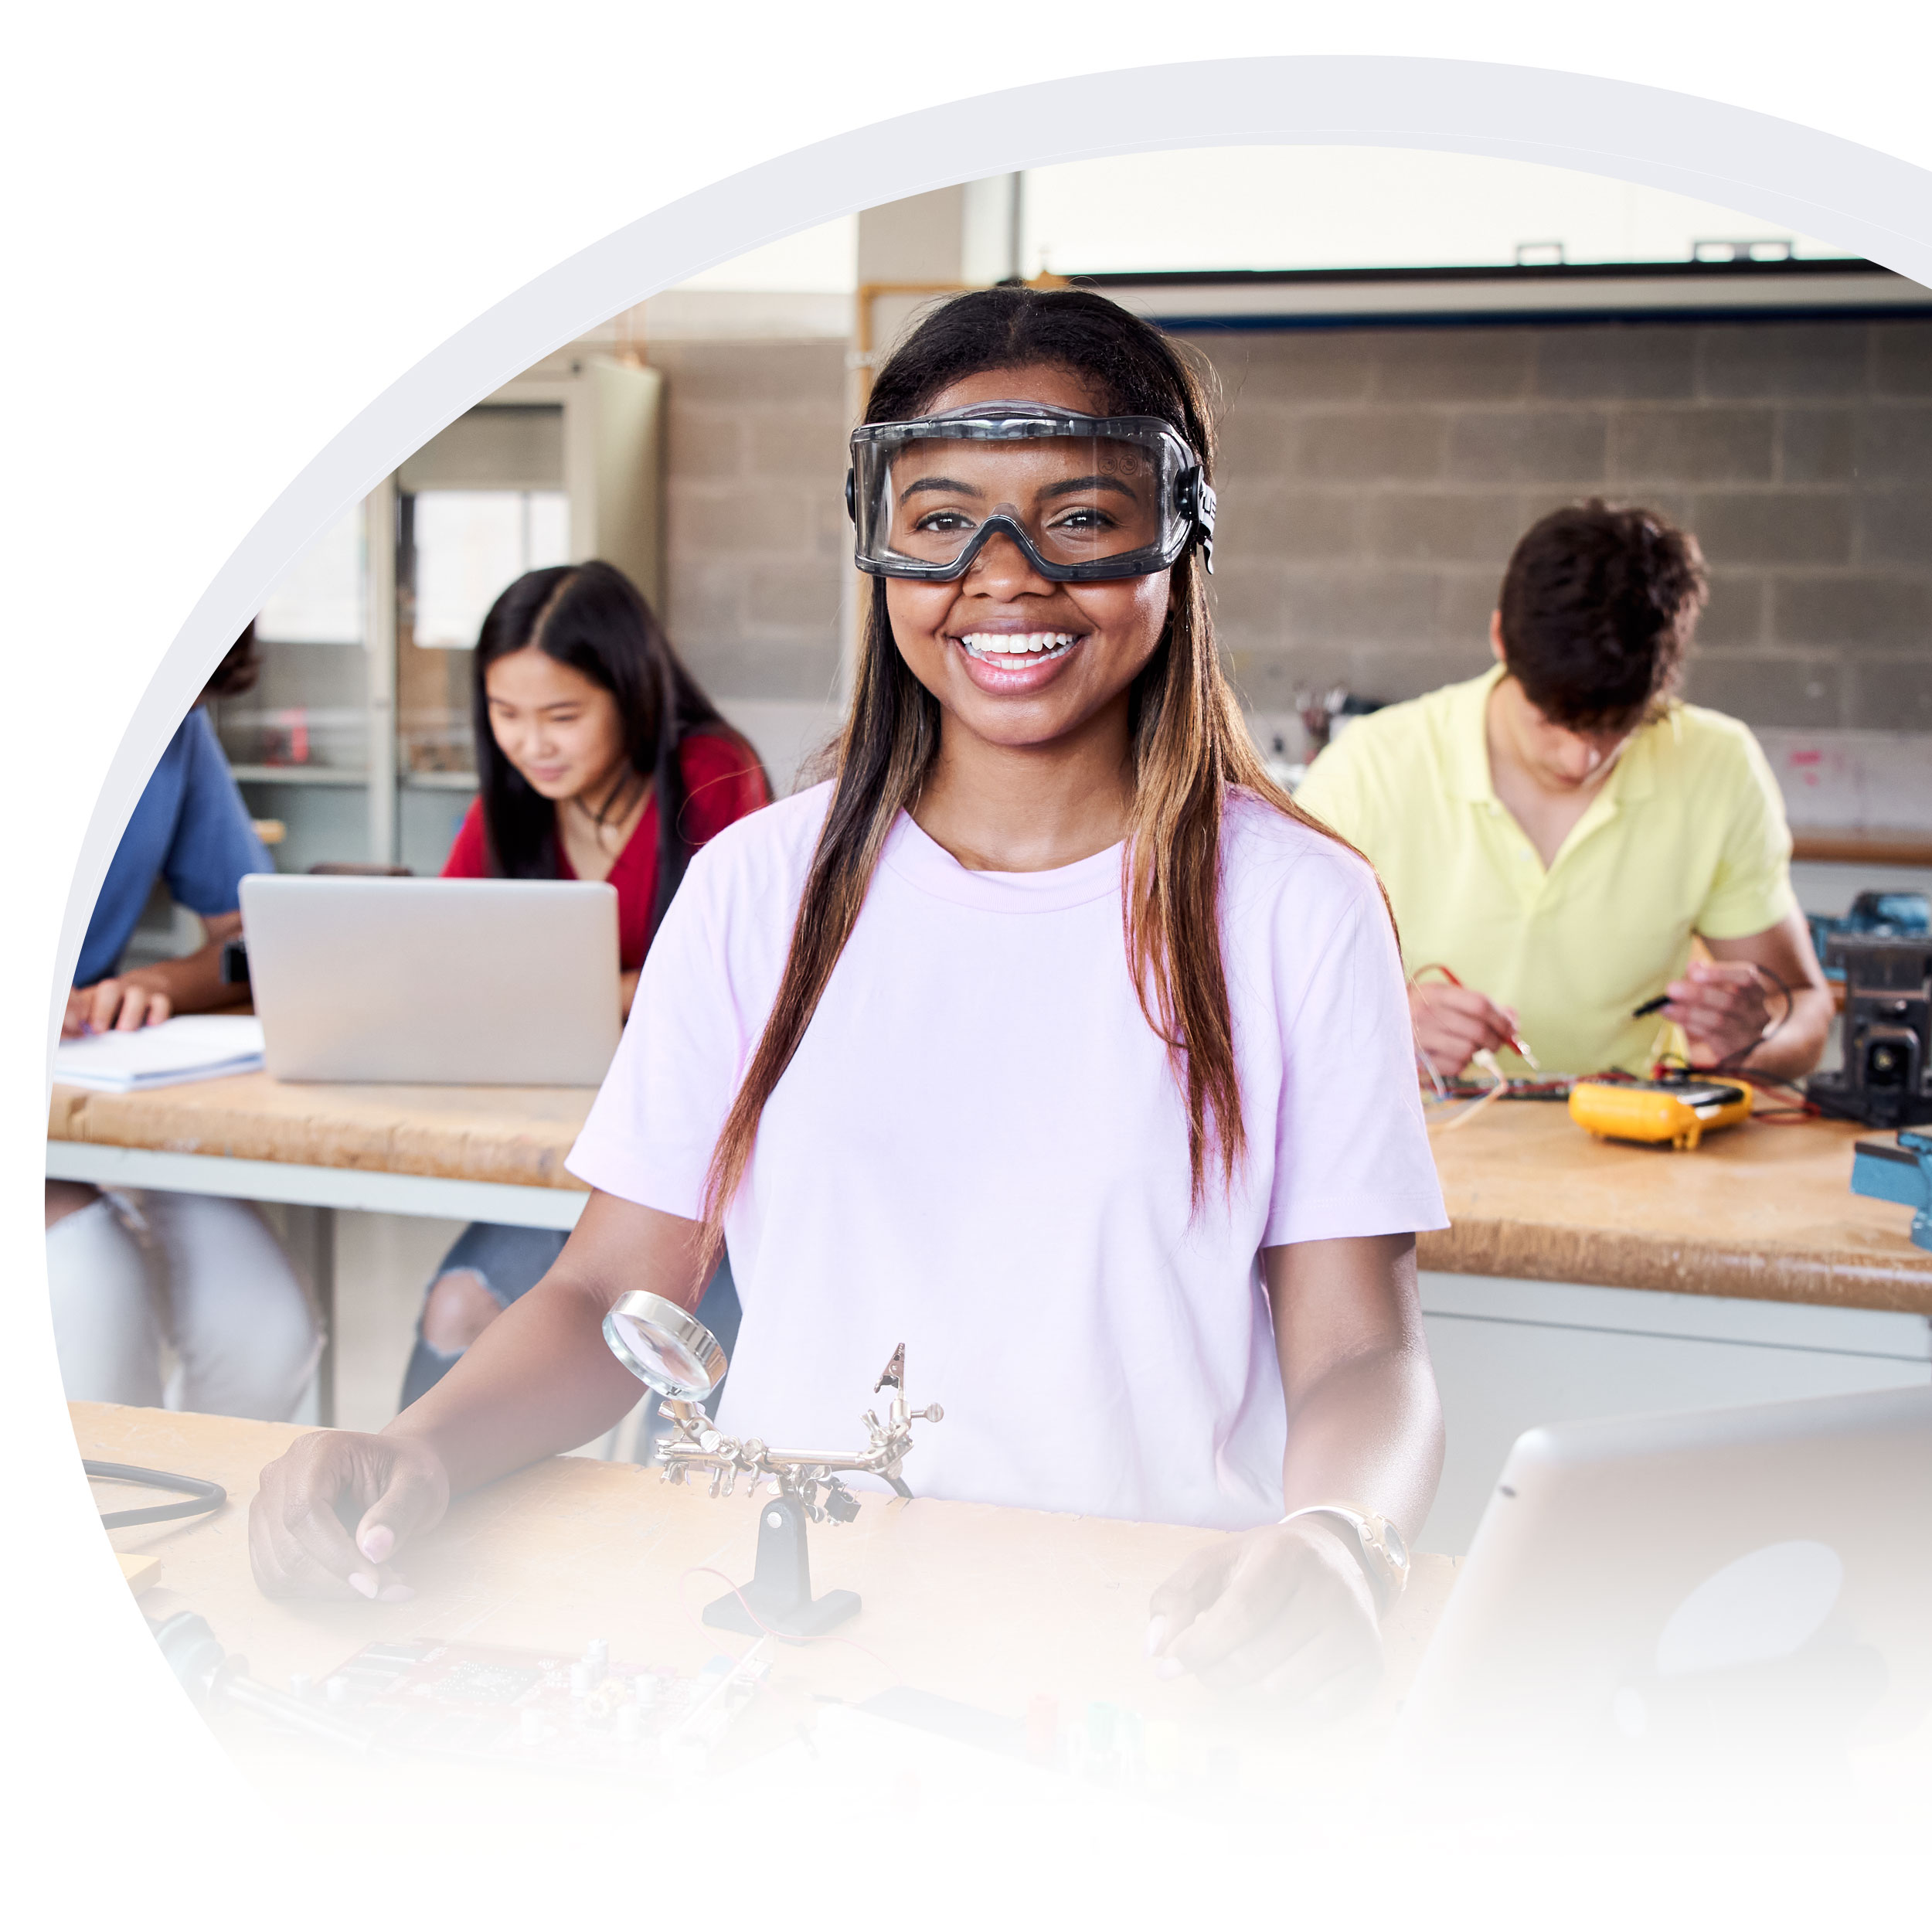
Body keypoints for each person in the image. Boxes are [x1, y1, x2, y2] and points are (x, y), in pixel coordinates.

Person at [251, 288, 1447, 1710]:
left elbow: (1361, 1348)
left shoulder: (1298, 906)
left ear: (1179, 529)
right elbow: (604, 1293)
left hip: (1148, 1649)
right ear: (878, 540)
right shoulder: (760, 889)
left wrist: (1337, 1536)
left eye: (1080, 516)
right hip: (794, 1642)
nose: (1004, 575)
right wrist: (422, 1447)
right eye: (941, 520)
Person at [1294, 501, 1833, 1083]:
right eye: (1551, 721)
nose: (1580, 760)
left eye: (1614, 728)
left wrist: (1752, 1041)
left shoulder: (1717, 765)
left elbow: (1806, 1009)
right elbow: (1250, 1005)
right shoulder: (1370, 767)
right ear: (1500, 636)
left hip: (1631, 1150)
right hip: (1421, 1152)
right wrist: (1377, 1029)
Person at [399, 562, 768, 1407]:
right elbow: (445, 962)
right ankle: (412, 1513)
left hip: (688, 1157)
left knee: (673, 1371)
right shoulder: (510, 804)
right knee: (460, 1306)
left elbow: (733, 980)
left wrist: (576, 993)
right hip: (555, 1142)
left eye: (562, 716)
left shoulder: (709, 773)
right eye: (507, 716)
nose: (533, 744)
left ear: (631, 697)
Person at [48, 625, 320, 1416]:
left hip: (89, 1085)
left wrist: (164, 980)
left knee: (263, 1328)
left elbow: (255, 934)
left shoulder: (179, 733)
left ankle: (198, 1526)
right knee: (89, 1283)